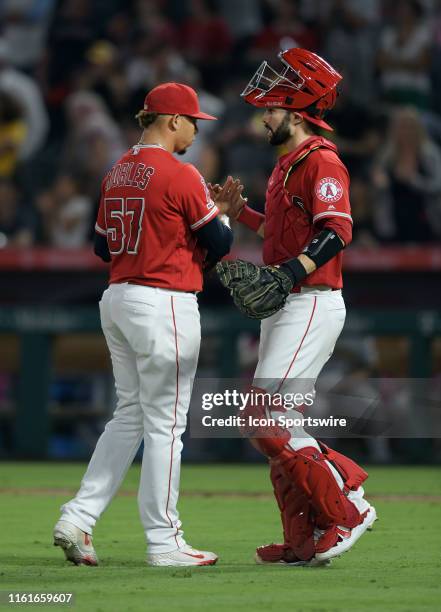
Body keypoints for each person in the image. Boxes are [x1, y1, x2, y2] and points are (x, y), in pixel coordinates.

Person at [53, 82, 240, 567]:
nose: (196, 131)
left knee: (130, 414)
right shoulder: (180, 173)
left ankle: (77, 517)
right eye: (193, 122)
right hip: (165, 302)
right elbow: (220, 244)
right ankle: (164, 541)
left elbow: (101, 248)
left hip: (118, 298)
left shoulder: (117, 171)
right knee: (166, 424)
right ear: (171, 120)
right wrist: (224, 214)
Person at [216, 48, 376, 565]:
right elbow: (281, 236)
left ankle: (347, 509)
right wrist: (243, 216)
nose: (263, 116)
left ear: (298, 111)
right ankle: (303, 539)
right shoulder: (288, 164)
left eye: (271, 108)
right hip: (290, 301)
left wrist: (288, 273)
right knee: (276, 421)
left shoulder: (322, 160)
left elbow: (339, 229)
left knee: (265, 416)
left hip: (311, 300)